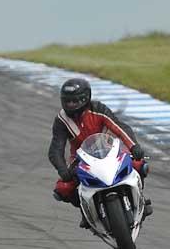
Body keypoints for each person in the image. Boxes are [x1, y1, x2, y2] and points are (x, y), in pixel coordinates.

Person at [49, 78, 151, 228]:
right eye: (67, 101)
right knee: (62, 189)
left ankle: (140, 199)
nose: (70, 105)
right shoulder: (61, 120)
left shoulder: (98, 109)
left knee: (139, 164)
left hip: (109, 149)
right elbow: (56, 149)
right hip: (80, 158)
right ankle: (87, 212)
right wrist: (62, 169)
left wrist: (133, 146)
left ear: (86, 98)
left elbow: (119, 127)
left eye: (75, 101)